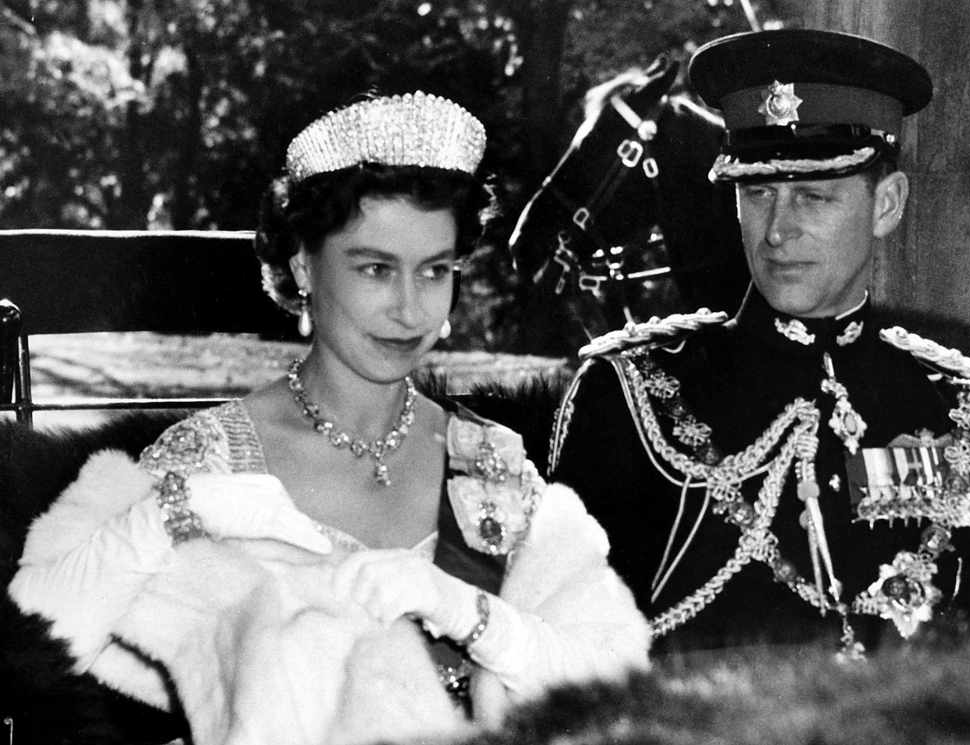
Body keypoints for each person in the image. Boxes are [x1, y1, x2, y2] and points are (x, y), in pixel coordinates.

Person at [8, 92, 650, 745]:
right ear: (303, 268)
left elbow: (607, 670)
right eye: (376, 268)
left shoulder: (487, 463)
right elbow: (45, 633)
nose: (409, 308)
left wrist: (465, 609)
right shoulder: (212, 454)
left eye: (434, 271)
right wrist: (168, 513)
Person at [547, 29, 970, 656]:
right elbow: (559, 653)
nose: (778, 230)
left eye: (814, 197)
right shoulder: (630, 399)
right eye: (759, 192)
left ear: (886, 204)